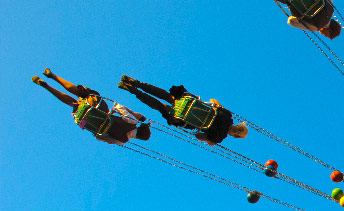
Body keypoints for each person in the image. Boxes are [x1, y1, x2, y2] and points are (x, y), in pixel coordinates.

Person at [30, 69, 150, 144]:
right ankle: (46, 86)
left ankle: (53, 76)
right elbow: (101, 138)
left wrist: (129, 113)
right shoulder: (122, 141)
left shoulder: (133, 122)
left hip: (98, 108)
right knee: (73, 103)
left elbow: (119, 107)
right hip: (87, 119)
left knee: (83, 93)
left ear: (141, 128)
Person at [117, 76, 248, 145]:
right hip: (182, 118)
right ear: (235, 135)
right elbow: (199, 136)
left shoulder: (227, 116)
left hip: (187, 103)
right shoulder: (218, 138)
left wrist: (215, 108)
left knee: (166, 95)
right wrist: (210, 141)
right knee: (159, 107)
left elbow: (213, 101)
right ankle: (130, 89)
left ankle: (135, 82)